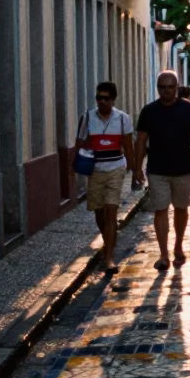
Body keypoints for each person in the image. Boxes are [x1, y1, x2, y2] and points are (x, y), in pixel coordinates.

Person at [135, 70, 190, 270]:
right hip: (157, 169)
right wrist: (137, 167)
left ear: (176, 87)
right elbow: (141, 141)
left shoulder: (188, 109)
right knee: (160, 209)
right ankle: (163, 254)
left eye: (170, 87)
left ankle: (178, 245)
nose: (166, 91)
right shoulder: (149, 111)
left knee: (181, 208)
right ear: (157, 88)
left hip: (182, 169)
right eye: (162, 87)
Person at [75, 82, 135, 275]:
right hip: (95, 171)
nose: (102, 101)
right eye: (99, 98)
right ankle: (109, 239)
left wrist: (135, 171)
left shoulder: (123, 119)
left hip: (116, 169)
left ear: (113, 99)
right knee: (99, 213)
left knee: (111, 211)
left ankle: (108, 257)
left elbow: (128, 146)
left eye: (106, 98)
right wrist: (73, 166)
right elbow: (80, 143)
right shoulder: (87, 118)